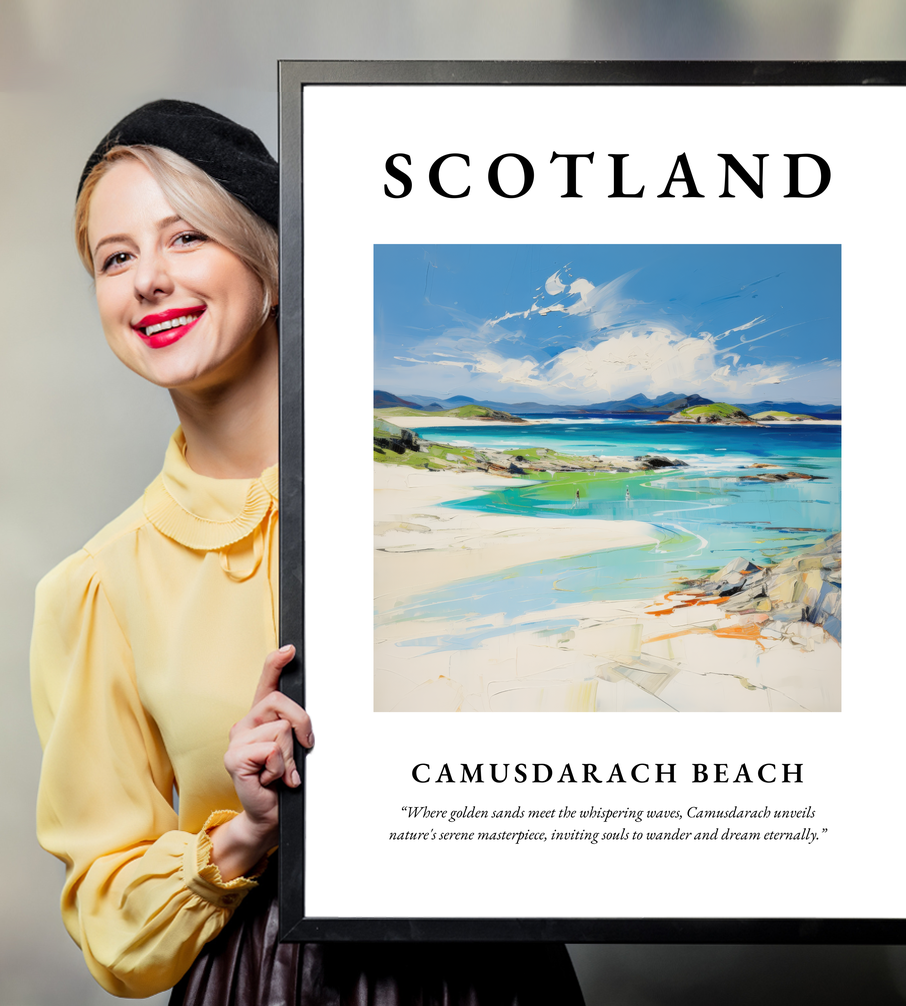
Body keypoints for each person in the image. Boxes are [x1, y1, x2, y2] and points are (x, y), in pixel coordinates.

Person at [30, 100, 585, 1004]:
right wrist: (245, 832)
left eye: (186, 239)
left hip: (494, 973)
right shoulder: (97, 587)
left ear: (273, 264)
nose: (148, 281)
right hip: (263, 981)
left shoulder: (441, 504)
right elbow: (110, 924)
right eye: (116, 257)